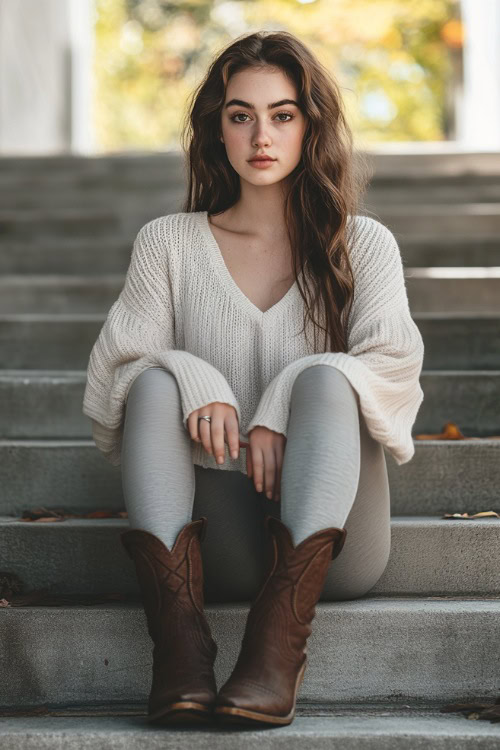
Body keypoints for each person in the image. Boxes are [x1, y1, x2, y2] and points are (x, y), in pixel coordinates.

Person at [82, 30, 424, 729]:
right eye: (240, 115)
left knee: (331, 382)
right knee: (150, 382)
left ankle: (274, 654)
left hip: (332, 545)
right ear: (217, 129)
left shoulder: (364, 245)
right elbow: (111, 381)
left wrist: (280, 397)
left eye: (283, 114)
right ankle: (179, 651)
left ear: (311, 125)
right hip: (216, 541)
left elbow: (393, 368)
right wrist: (186, 367)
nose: (260, 134)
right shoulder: (168, 244)